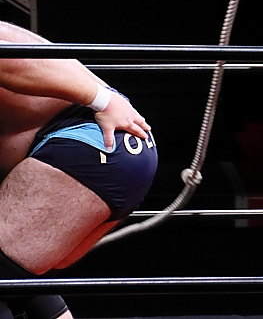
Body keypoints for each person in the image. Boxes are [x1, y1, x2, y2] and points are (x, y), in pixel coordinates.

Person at [0, 21, 156, 319]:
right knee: (17, 272)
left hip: (91, 142)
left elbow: (10, 59)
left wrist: (103, 100)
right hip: (111, 150)